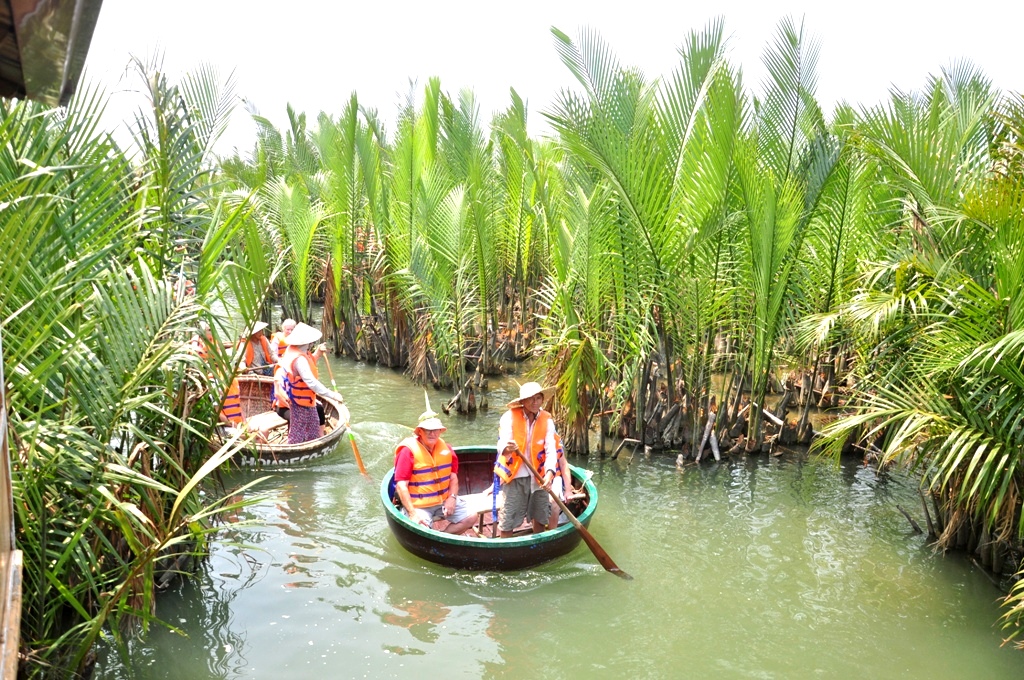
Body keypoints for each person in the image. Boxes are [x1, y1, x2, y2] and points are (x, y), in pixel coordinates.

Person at [393, 411, 476, 534]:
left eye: (436, 430)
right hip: (418, 505)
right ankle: (432, 537)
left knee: (471, 517)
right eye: (428, 430)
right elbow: (401, 486)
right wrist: (413, 513)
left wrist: (452, 498)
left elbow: (453, 478)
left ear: (440, 431)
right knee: (421, 530)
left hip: (442, 501)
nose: (432, 433)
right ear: (420, 431)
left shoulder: (447, 449)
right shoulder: (407, 451)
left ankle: (444, 537)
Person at [494, 382, 560, 536]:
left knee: (540, 516)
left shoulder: (547, 420)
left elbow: (551, 450)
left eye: (538, 398)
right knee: (507, 520)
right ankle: (505, 551)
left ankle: (538, 545)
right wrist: (508, 448)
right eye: (531, 399)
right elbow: (502, 443)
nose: (535, 402)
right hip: (516, 476)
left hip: (539, 477)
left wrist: (549, 474)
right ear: (522, 401)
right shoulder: (509, 417)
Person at [280, 322, 345, 444]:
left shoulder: (296, 350)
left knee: (313, 429)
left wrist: (318, 353)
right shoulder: (299, 358)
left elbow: (308, 363)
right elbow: (312, 382)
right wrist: (332, 395)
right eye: (311, 342)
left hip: (305, 400)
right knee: (297, 434)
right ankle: (294, 455)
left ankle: (312, 445)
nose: (312, 344)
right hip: (300, 402)